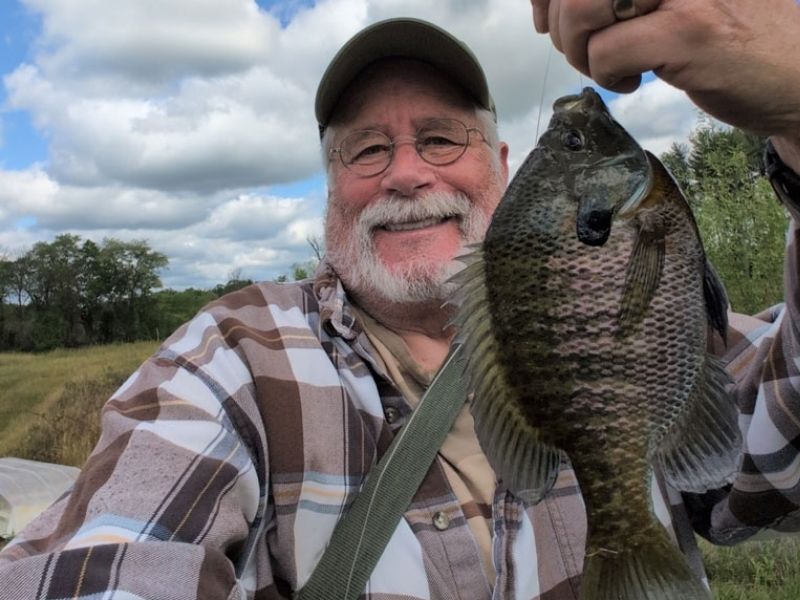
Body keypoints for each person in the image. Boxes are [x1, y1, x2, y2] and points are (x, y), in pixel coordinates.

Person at [2, 2, 800, 598]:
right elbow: (114, 552)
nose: (407, 172)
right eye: (369, 149)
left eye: (441, 138)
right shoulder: (233, 361)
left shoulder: (657, 323)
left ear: (505, 165)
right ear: (332, 189)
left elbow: (781, 464)